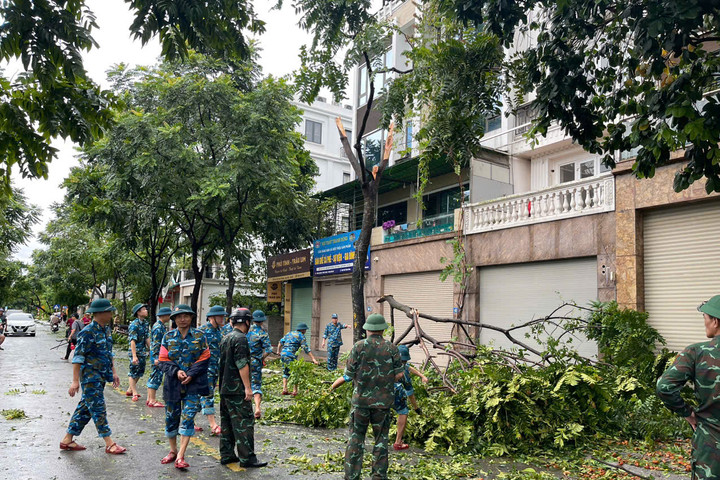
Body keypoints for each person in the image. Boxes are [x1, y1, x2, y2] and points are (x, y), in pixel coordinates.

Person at [329, 313, 403, 480]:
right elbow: (399, 376)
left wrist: (332, 386)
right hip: (383, 404)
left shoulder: (358, 347)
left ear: (368, 329)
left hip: (361, 402)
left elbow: (348, 375)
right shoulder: (392, 348)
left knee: (355, 439)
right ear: (383, 329)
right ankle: (378, 476)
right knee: (381, 440)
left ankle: (352, 476)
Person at [657, 295, 720, 479]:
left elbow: (664, 387)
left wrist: (687, 413)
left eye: (705, 318)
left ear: (715, 321)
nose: (705, 324)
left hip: (710, 447)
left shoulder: (697, 353)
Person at [59, 298, 126, 455]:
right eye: (108, 311)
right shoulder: (87, 333)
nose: (111, 314)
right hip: (90, 377)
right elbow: (78, 358)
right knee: (98, 408)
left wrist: (114, 372)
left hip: (102, 376)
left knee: (85, 409)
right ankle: (109, 443)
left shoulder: (106, 330)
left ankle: (67, 439)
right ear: (100, 313)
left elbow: (109, 353)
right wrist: (75, 381)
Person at [157, 304, 210, 470]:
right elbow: (163, 360)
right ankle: (172, 451)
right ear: (174, 319)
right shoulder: (168, 337)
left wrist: (191, 374)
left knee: (188, 417)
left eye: (186, 315)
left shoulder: (200, 336)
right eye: (179, 316)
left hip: (194, 385)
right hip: (173, 384)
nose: (182, 319)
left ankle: (181, 456)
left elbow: (205, 358)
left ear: (191, 317)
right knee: (171, 418)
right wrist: (176, 371)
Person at [218, 307, 268, 468]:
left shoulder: (226, 338)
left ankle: (227, 454)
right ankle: (247, 458)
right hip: (237, 389)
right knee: (244, 422)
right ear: (247, 322)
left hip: (225, 388)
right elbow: (242, 364)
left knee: (227, 423)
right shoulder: (240, 339)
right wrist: (248, 388)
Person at [391, 344, 428, 450]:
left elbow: (409, 368)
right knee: (403, 411)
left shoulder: (387, 363)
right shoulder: (404, 372)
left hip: (377, 392)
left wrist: (422, 376)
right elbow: (410, 393)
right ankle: (398, 442)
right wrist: (417, 408)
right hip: (393, 392)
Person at [199, 305, 228, 435]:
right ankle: (213, 424)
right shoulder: (202, 331)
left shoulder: (220, 332)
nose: (223, 318)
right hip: (204, 369)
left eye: (223, 316)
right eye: (220, 316)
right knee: (207, 394)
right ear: (211, 317)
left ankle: (188, 420)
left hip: (215, 368)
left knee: (198, 395)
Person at [277, 322, 318, 396]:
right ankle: (295, 391)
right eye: (305, 330)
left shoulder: (289, 333)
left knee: (285, 371)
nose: (305, 332)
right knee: (295, 372)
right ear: (303, 330)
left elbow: (280, 342)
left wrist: (278, 351)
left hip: (283, 354)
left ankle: (285, 389)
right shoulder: (301, 336)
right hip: (291, 355)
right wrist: (313, 359)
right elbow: (306, 349)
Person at [247, 310, 273, 418]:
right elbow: (269, 349)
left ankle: (245, 409)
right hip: (256, 362)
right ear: (262, 321)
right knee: (256, 385)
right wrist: (262, 358)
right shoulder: (263, 333)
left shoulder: (246, 330)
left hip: (243, 361)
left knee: (244, 384)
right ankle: (257, 408)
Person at [146, 306, 172, 408]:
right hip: (158, 356)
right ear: (164, 316)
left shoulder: (159, 326)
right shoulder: (158, 327)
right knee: (156, 376)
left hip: (158, 355)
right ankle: (152, 400)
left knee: (155, 375)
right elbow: (156, 344)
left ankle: (150, 399)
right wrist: (157, 358)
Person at [126, 303, 151, 401]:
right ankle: (134, 393)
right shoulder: (134, 325)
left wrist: (151, 349)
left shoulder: (145, 323)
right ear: (138, 312)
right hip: (135, 351)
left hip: (142, 351)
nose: (146, 311)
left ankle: (129, 389)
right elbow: (132, 341)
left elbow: (147, 338)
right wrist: (134, 355)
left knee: (140, 371)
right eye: (144, 309)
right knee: (133, 372)